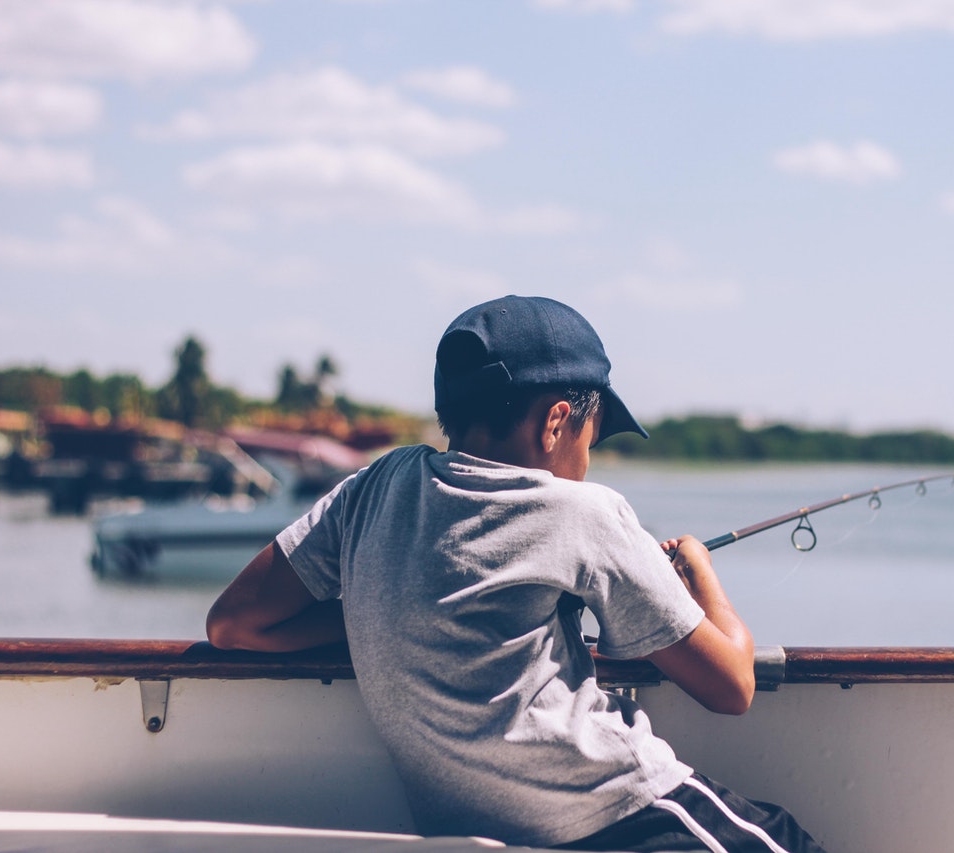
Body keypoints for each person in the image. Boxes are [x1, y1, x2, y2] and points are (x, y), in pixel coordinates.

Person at [206, 295, 828, 853]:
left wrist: (392, 619)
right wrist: (699, 571)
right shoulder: (584, 513)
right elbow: (732, 687)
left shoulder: (375, 486)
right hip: (623, 814)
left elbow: (234, 625)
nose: (587, 458)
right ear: (556, 421)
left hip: (479, 832)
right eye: (591, 434)